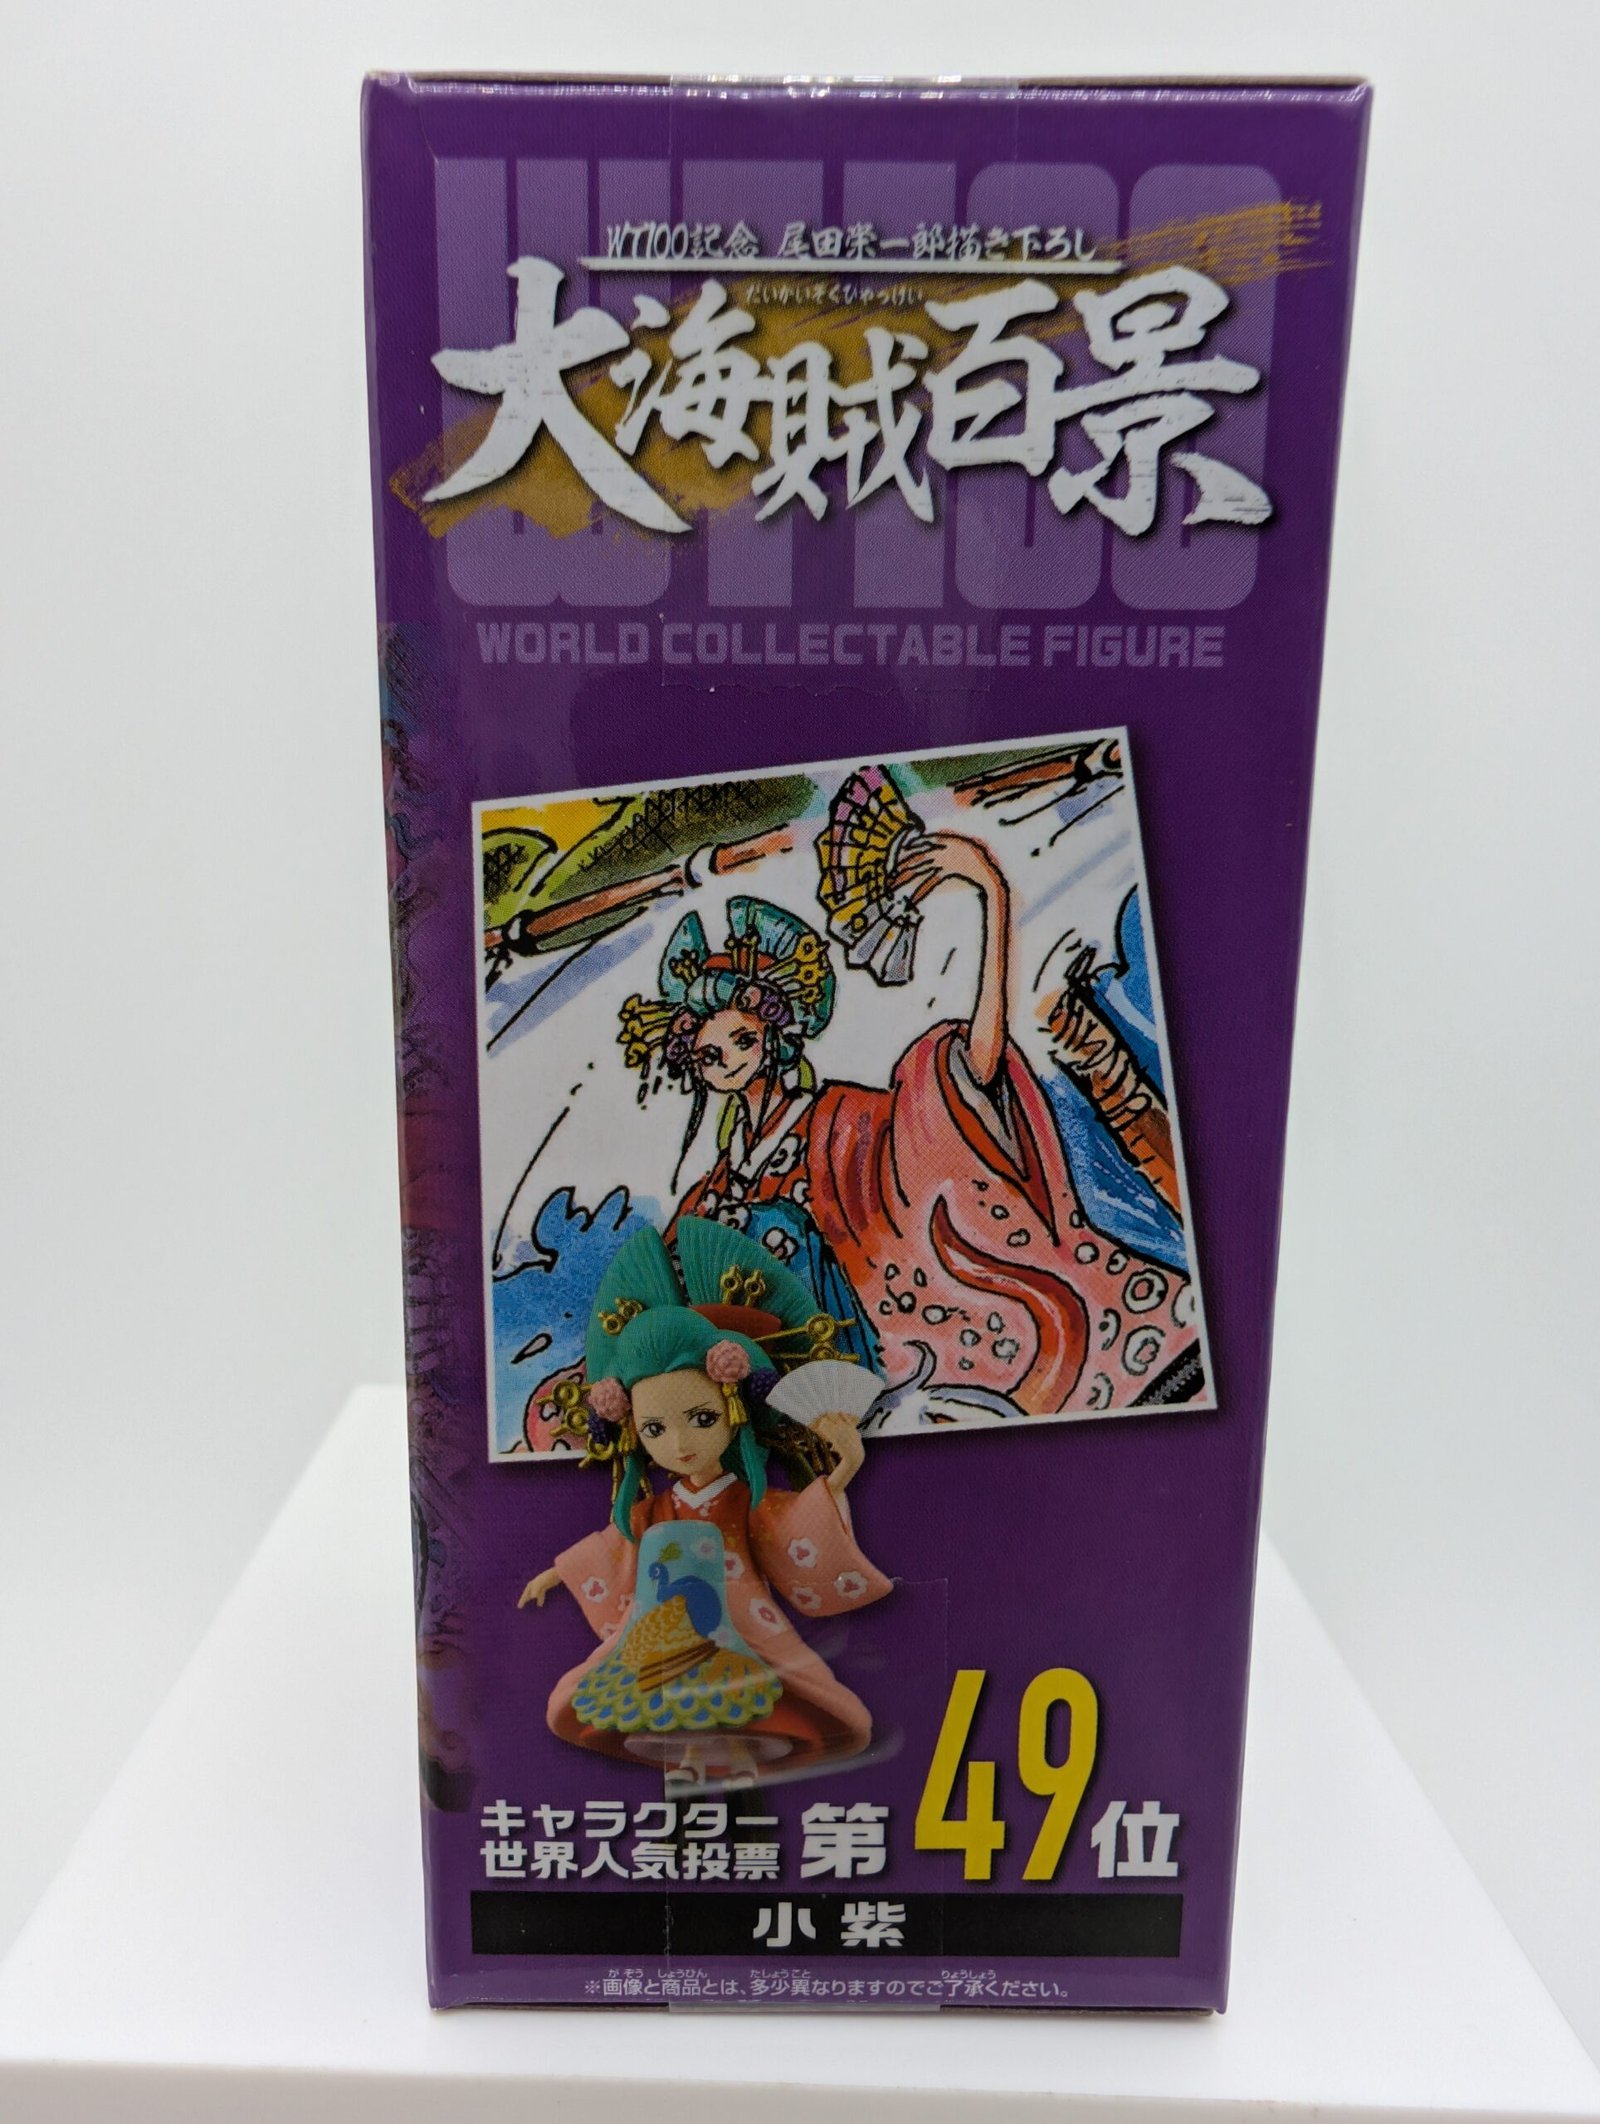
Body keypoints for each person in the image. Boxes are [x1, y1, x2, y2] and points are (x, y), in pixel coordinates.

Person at [616, 834, 1204, 1418]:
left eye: (742, 1040)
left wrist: (991, 892)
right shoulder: (715, 1190)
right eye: (710, 1055)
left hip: (914, 1354)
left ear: (775, 1036)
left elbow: (975, 1067)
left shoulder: (842, 1125)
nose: (727, 1062)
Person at [519, 1218, 891, 1785]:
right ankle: (691, 1771)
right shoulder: (652, 1511)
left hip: (740, 1617)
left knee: (741, 1697)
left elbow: (794, 1522)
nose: (679, 1444)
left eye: (700, 1418)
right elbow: (614, 1546)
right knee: (676, 1705)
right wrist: (559, 1573)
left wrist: (845, 1466)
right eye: (655, 1429)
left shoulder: (743, 1501)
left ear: (734, 1411)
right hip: (664, 1627)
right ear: (634, 1432)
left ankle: (733, 1771)